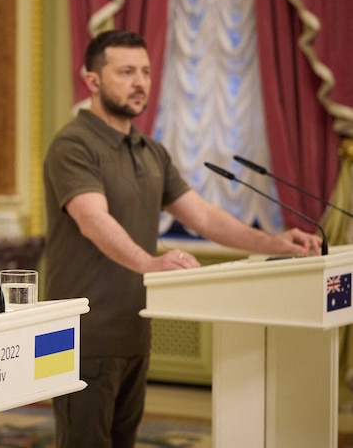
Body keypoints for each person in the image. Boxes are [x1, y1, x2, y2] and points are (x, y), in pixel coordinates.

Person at [43, 29, 322, 448]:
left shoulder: (150, 150)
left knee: (123, 441)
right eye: (126, 72)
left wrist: (275, 243)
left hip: (134, 328)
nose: (140, 82)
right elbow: (92, 220)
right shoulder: (73, 145)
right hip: (84, 331)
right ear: (93, 80)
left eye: (146, 72)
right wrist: (151, 263)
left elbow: (203, 216)